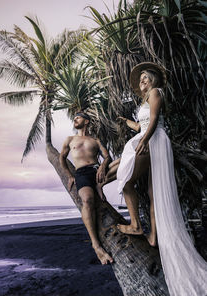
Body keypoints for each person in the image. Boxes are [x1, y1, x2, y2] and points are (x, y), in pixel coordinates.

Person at [102, 62, 207, 295]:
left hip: (155, 140)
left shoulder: (156, 93)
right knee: (152, 192)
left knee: (126, 179)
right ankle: (152, 236)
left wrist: (144, 140)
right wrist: (127, 123)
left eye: (145, 78)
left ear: (153, 79)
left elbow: (155, 119)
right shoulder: (144, 99)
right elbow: (142, 124)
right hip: (149, 137)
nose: (142, 82)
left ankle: (137, 225)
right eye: (140, 80)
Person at [59, 112, 113, 265]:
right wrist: (70, 176)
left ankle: (99, 185)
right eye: (74, 118)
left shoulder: (95, 140)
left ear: (87, 121)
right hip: (82, 173)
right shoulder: (70, 139)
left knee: (123, 161)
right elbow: (62, 157)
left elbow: (107, 156)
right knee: (88, 199)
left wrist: (102, 166)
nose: (75, 119)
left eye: (78, 117)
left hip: (98, 171)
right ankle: (96, 245)